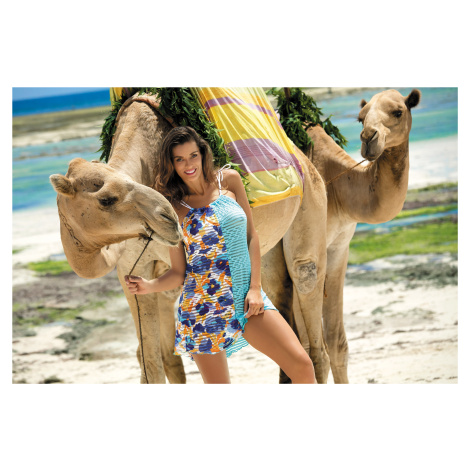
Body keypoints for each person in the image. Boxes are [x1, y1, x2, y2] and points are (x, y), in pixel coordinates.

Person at [125, 126, 315, 384]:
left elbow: (251, 236)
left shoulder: (229, 181)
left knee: (302, 366)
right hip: (203, 309)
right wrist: (149, 286)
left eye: (193, 155)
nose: (188, 165)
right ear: (172, 164)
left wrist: (255, 288)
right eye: (179, 159)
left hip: (247, 298)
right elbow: (179, 273)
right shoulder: (174, 209)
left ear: (203, 153)